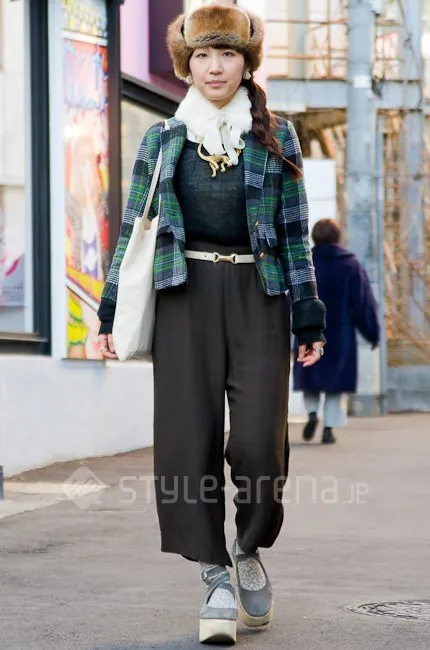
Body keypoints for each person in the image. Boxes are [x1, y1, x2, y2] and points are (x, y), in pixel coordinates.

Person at [98, 4, 326, 645]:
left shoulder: (276, 136)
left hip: (259, 295)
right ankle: (215, 575)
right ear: (187, 64)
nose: (215, 66)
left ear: (246, 63)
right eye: (203, 55)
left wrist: (308, 314)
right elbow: (134, 228)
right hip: (184, 295)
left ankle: (249, 547)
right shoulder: (163, 139)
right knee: (186, 440)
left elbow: (294, 234)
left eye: (227, 54)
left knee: (258, 442)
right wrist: (110, 307)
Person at [293, 218, 380, 445]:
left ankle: (312, 413)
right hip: (341, 334)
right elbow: (362, 303)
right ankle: (328, 428)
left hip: (309, 329)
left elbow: (291, 297)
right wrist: (372, 332)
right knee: (335, 384)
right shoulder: (350, 265)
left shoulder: (306, 263)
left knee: (310, 376)